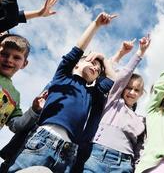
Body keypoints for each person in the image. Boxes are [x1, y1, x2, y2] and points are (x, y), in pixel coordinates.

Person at [8, 12, 117, 173]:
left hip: (68, 152)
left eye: (98, 69)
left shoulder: (93, 94)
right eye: (92, 63)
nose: (96, 67)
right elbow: (78, 49)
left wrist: (103, 59)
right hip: (43, 139)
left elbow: (112, 78)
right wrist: (96, 25)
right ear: (77, 64)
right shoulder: (62, 77)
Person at [82, 35, 150, 173]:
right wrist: (140, 53)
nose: (132, 92)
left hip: (124, 164)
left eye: (136, 90)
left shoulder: (140, 121)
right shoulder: (113, 102)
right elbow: (122, 76)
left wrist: (135, 166)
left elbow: (139, 148)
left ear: (141, 94)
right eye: (129, 88)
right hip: (97, 155)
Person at [0, 34, 43, 133]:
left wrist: (34, 110)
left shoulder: (15, 96)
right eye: (4, 54)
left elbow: (16, 125)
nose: (9, 60)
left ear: (24, 64)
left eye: (16, 57)